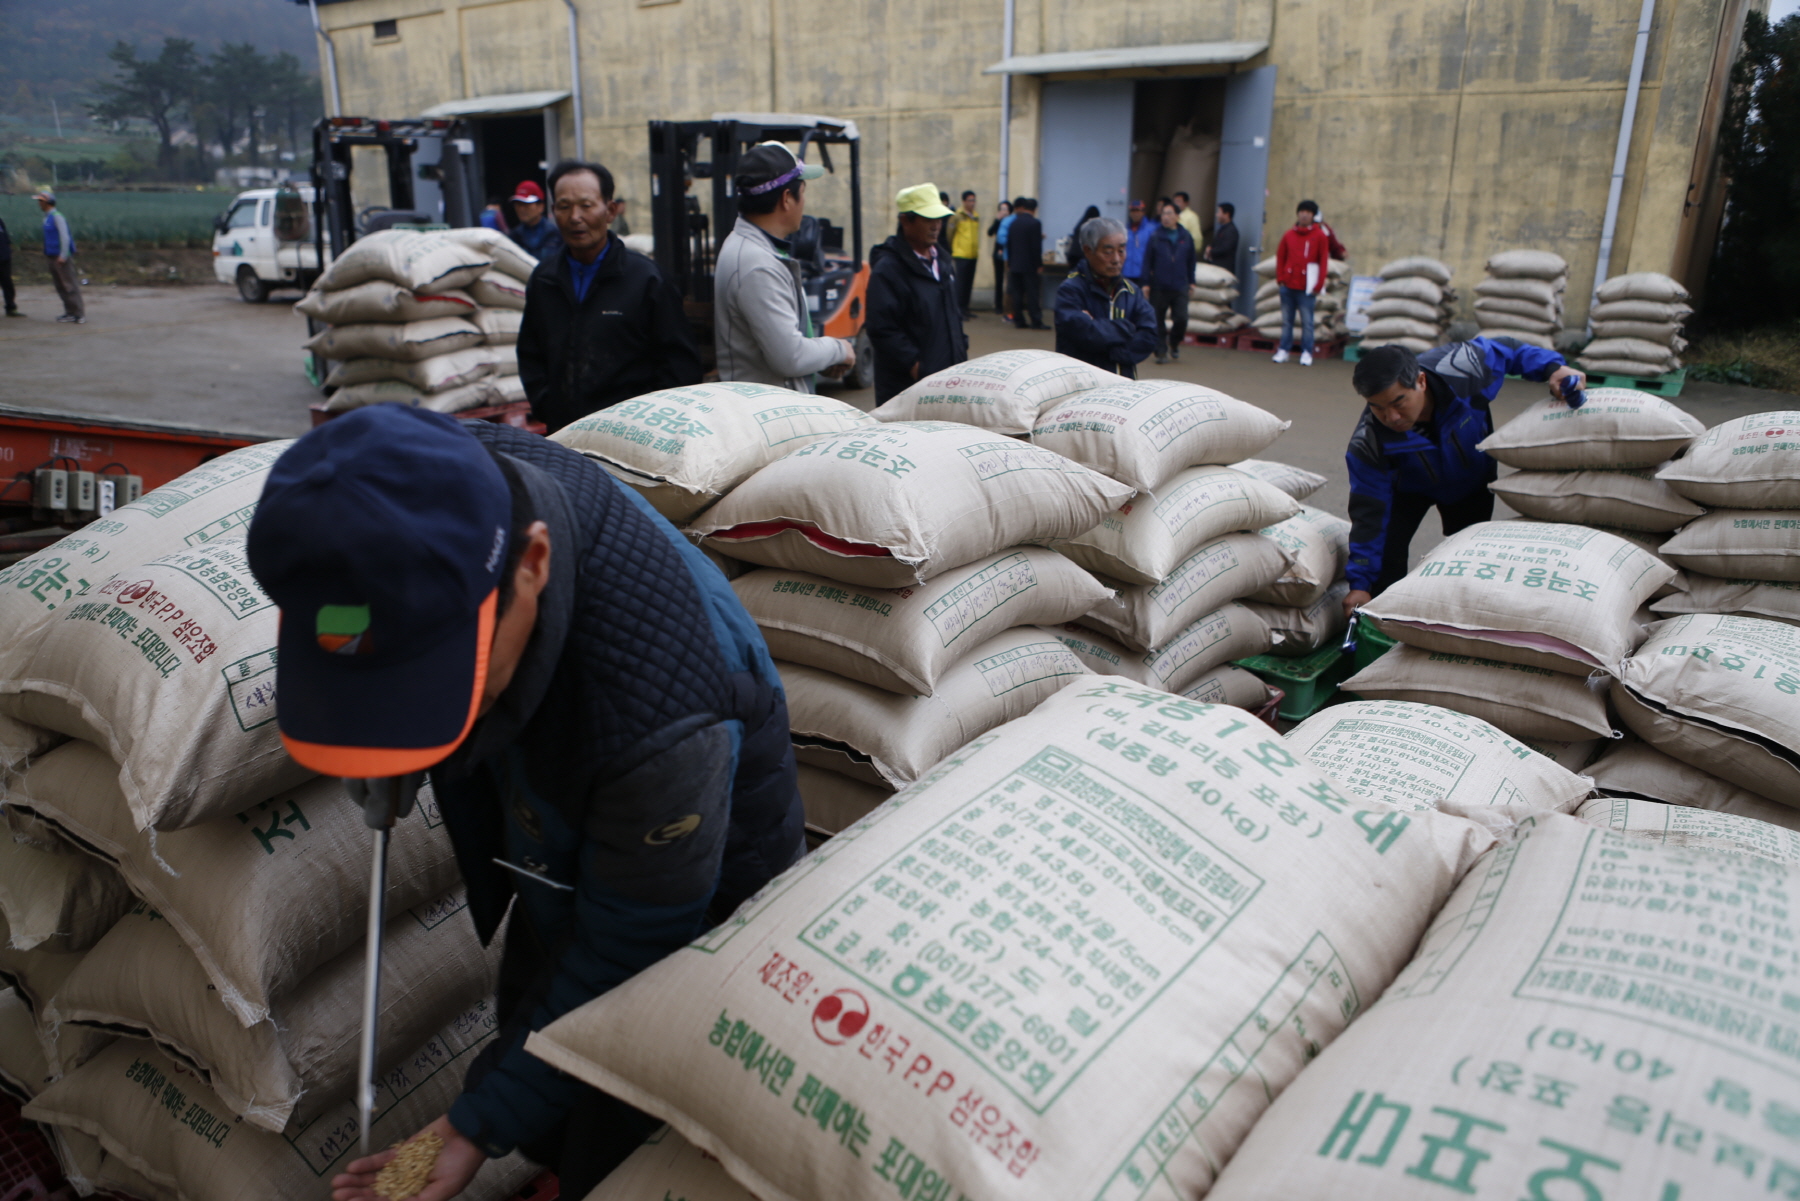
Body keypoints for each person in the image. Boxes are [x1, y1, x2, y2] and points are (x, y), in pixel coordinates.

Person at [248, 406, 804, 1201]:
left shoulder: (658, 725)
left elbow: (627, 950)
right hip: (562, 801)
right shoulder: (434, 478)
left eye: (442, 683)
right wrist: (382, 732)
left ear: (532, 566)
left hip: (702, 871)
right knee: (539, 997)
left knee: (626, 1111)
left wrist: (474, 1123)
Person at [1342, 340, 1587, 617]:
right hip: (1405, 491)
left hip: (1471, 480)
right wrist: (1361, 583)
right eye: (1378, 407)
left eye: (1399, 402)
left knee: (1468, 565)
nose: (1392, 417)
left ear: (1421, 381)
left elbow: (1510, 350)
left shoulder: (1463, 368)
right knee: (1384, 572)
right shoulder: (1370, 442)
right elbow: (1368, 515)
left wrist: (1553, 367)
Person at [515, 160, 701, 433]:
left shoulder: (646, 280)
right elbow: (531, 354)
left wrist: (644, 422)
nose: (575, 217)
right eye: (564, 207)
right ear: (553, 212)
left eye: (586, 205)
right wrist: (548, 404)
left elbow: (681, 367)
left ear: (610, 210)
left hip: (631, 438)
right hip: (565, 433)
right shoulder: (545, 280)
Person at [714, 142, 856, 391]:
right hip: (766, 416)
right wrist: (839, 349)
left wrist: (820, 359)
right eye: (803, 191)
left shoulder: (761, 250)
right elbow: (791, 357)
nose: (805, 202)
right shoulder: (757, 265)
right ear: (787, 199)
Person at [866, 184, 968, 405]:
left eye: (939, 219)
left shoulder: (943, 262)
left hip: (948, 380)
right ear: (906, 221)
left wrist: (961, 349)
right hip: (907, 389)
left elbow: (953, 314)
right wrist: (915, 366)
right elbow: (881, 328)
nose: (936, 226)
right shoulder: (889, 270)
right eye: (928, 219)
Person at [1054, 216, 1157, 379]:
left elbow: (1149, 335)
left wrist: (1116, 353)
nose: (1116, 259)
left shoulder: (1132, 291)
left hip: (1122, 385)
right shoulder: (1071, 290)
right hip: (1082, 384)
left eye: (1121, 251)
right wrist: (1127, 328)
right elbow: (1085, 333)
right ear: (1088, 251)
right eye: (1108, 252)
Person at [1272, 200, 1330, 365]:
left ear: (1313, 215)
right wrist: (1281, 278)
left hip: (1307, 288)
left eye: (1308, 212)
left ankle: (1306, 352)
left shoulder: (1319, 236)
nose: (1304, 215)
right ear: (1297, 214)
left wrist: (1319, 284)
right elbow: (1281, 257)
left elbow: (1323, 261)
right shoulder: (1288, 235)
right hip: (1288, 286)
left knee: (1307, 322)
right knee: (1286, 321)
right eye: (1302, 211)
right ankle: (1283, 350)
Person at [1143, 201, 1196, 365]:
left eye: (1169, 214)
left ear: (1177, 216)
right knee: (1157, 320)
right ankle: (1160, 351)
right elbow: (1147, 262)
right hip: (1159, 285)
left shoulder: (1186, 237)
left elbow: (1191, 261)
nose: (1165, 217)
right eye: (1163, 214)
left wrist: (1192, 282)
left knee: (1181, 318)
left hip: (1180, 285)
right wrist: (1146, 283)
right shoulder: (1155, 237)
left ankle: (1174, 342)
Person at [36, 190, 82, 324]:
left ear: (48, 202)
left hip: (60, 257)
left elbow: (65, 237)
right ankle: (69, 312)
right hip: (51, 256)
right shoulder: (47, 217)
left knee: (69, 285)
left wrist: (63, 255)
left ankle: (78, 314)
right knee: (60, 286)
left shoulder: (57, 217)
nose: (39, 204)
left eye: (41, 201)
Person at [1006, 197, 1046, 331]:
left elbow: (1009, 244)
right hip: (1029, 265)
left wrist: (1010, 262)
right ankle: (1036, 320)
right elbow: (1036, 246)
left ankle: (1019, 320)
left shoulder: (1014, 223)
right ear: (1034, 209)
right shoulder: (1035, 223)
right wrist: (1039, 264)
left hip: (1015, 264)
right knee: (1032, 294)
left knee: (1017, 293)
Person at [947, 190, 982, 320]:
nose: (972, 203)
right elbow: (950, 234)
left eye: (974, 200)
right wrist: (953, 249)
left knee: (968, 284)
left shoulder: (975, 216)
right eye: (970, 200)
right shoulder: (957, 216)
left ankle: (966, 308)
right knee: (960, 285)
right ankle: (958, 310)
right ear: (964, 202)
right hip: (961, 254)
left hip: (973, 254)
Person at [508, 181, 563, 260]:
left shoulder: (556, 235)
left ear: (541, 206)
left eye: (526, 204)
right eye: (518, 204)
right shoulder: (514, 237)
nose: (521, 209)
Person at [988, 200, 1012, 317]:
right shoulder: (998, 221)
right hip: (998, 254)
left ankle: (1008, 306)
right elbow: (990, 232)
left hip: (1009, 255)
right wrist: (997, 220)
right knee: (999, 280)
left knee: (1009, 280)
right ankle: (998, 305)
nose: (1004, 211)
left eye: (1006, 209)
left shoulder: (1012, 222)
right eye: (1001, 209)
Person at [1121, 200, 1154, 286]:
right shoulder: (1125, 230)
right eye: (1133, 210)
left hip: (1143, 275)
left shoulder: (1150, 230)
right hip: (1126, 273)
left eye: (1137, 210)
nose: (1135, 213)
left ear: (1143, 212)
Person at [1205, 201, 1238, 271]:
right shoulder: (1222, 229)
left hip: (1224, 268)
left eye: (1219, 212)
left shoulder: (1231, 230)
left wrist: (1211, 251)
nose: (1217, 215)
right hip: (1217, 266)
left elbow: (1225, 248)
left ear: (1227, 214)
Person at [0, 212, 16, 317]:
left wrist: (8, 250)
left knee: (7, 283)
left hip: (4, 256)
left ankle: (10, 307)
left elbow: (5, 236)